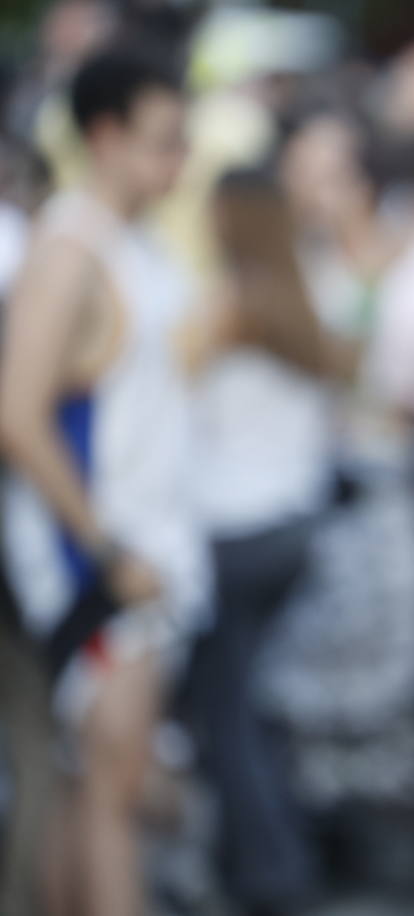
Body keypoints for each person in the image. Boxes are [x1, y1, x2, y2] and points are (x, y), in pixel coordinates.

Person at [0, 45, 207, 916]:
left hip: (131, 551)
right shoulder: (70, 247)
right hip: (99, 565)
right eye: (163, 141)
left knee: (92, 793)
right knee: (108, 796)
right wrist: (107, 551)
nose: (179, 160)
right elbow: (17, 415)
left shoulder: (119, 241)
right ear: (105, 134)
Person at [181, 166, 340, 913]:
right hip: (291, 523)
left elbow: (161, 398)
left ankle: (270, 868)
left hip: (230, 531)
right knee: (247, 702)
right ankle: (271, 855)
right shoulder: (307, 295)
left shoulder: (225, 308)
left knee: (228, 711)